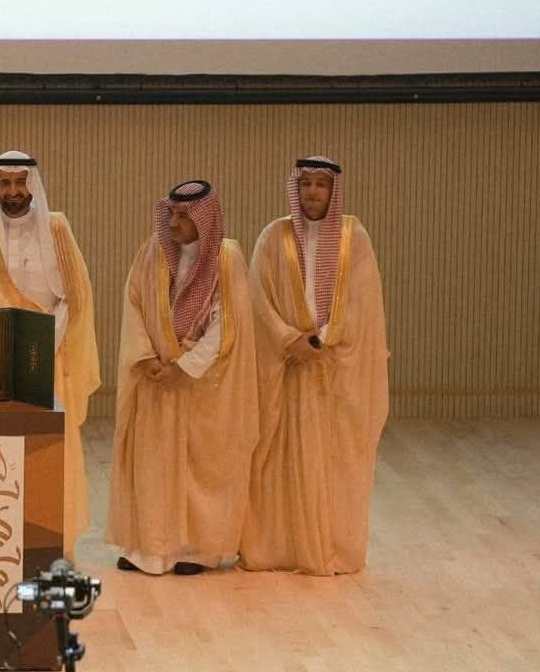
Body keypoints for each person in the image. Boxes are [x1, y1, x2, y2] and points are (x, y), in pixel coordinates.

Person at [239, 156, 389, 575]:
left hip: (333, 372)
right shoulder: (274, 236)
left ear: (333, 190)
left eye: (321, 184)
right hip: (285, 369)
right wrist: (290, 339)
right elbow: (257, 298)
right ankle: (277, 549)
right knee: (278, 461)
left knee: (334, 463)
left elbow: (362, 302)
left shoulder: (354, 237)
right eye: (305, 184)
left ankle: (330, 548)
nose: (312, 192)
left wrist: (323, 339)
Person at [105, 180, 258, 575]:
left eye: (183, 216)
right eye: (171, 214)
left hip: (201, 383)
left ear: (204, 219)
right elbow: (133, 304)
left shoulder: (227, 259)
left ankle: (197, 550)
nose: (172, 223)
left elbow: (228, 325)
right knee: (151, 465)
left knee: (198, 468)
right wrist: (146, 357)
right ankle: (148, 549)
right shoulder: (152, 252)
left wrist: (184, 366)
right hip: (155, 377)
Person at [0, 150, 100, 556]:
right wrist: (0, 345)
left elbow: (76, 295)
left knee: (49, 451)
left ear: (32, 184)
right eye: (5, 183)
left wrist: (41, 341)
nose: (13, 191)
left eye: (20, 182)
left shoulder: (56, 227)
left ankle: (54, 543)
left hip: (47, 358)